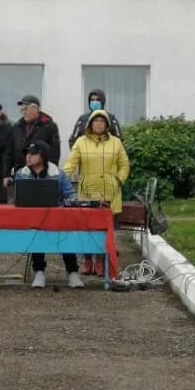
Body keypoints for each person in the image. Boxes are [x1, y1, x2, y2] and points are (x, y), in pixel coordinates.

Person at [64, 109, 131, 275]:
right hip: (87, 193)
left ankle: (101, 262)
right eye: (96, 121)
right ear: (90, 124)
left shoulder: (116, 142)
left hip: (110, 193)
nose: (99, 123)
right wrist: (58, 178)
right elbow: (70, 164)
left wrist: (118, 180)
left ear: (107, 124)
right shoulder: (81, 141)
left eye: (102, 121)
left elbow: (124, 165)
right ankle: (87, 261)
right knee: (86, 230)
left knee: (104, 231)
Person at [11, 140, 84, 289]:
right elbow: (17, 198)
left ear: (42, 156)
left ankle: (73, 272)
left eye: (33, 154)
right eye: (27, 154)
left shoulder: (58, 174)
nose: (28, 157)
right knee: (36, 233)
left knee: (66, 234)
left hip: (56, 220)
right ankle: (38, 272)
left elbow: (69, 194)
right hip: (32, 221)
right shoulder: (21, 174)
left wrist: (69, 201)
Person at [5, 94, 60, 176]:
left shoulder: (49, 126)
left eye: (26, 109)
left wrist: (50, 173)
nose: (23, 113)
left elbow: (54, 153)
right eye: (22, 110)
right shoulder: (17, 127)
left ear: (36, 109)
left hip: (41, 174)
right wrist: (6, 174)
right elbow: (9, 151)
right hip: (20, 173)